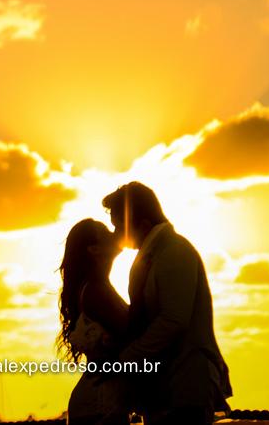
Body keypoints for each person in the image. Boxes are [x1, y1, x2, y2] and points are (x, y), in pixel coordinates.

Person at [102, 182, 232, 425]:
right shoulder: (152, 255)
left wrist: (125, 359)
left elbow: (174, 321)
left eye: (120, 227)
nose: (115, 234)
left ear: (143, 225)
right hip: (167, 393)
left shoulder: (174, 251)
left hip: (185, 389)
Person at [58, 218, 131, 425]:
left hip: (103, 402)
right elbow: (137, 334)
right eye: (107, 231)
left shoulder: (99, 286)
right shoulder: (95, 290)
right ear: (94, 249)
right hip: (99, 404)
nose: (115, 232)